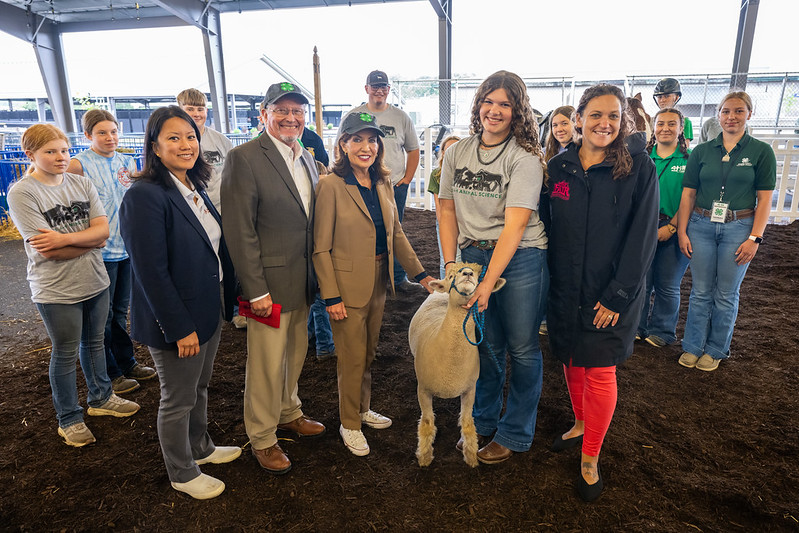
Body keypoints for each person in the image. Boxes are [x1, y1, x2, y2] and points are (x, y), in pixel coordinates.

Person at [119, 106, 240, 500]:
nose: (186, 145)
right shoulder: (144, 196)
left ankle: (200, 448)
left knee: (199, 386)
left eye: (190, 137)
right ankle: (182, 471)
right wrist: (179, 327)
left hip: (206, 309)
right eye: (174, 138)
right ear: (154, 145)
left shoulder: (193, 186)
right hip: (178, 320)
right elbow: (150, 271)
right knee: (177, 397)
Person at [544, 84, 658, 502]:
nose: (604, 123)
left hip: (611, 291)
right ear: (578, 119)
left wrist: (617, 296)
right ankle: (579, 423)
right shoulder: (558, 168)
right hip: (566, 285)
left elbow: (643, 237)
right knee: (571, 358)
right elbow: (547, 226)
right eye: (595, 115)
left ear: (623, 121)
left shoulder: (638, 169)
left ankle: (591, 454)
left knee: (600, 370)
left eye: (613, 116)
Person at [438, 70, 549, 466]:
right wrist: (451, 264)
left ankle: (515, 432)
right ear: (478, 104)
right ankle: (482, 418)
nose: (495, 110)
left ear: (518, 111)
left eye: (505, 104)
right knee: (485, 343)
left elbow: (516, 225)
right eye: (489, 101)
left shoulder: (525, 159)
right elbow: (445, 207)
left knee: (520, 347)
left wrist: (486, 282)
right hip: (472, 254)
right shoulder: (456, 152)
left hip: (521, 257)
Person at [8, 124, 140, 448]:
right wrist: (88, 242)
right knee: (65, 351)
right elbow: (47, 249)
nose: (60, 157)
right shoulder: (23, 192)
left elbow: (103, 231)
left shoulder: (81, 182)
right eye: (50, 151)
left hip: (95, 279)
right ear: (31, 155)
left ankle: (102, 397)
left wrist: (69, 239)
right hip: (55, 288)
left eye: (64, 150)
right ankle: (69, 418)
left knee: (95, 343)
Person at [314, 112, 434, 456]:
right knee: (351, 358)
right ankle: (349, 423)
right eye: (357, 140)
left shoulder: (382, 181)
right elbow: (320, 247)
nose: (366, 147)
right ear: (343, 144)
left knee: (366, 354)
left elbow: (395, 233)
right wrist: (331, 295)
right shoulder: (331, 186)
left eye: (372, 140)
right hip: (346, 289)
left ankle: (362, 409)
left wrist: (421, 275)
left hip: (378, 282)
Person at [221, 82, 326, 475]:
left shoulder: (308, 159)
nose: (290, 118)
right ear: (263, 113)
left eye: (297, 111)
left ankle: (288, 411)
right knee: (265, 364)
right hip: (266, 288)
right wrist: (256, 289)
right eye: (281, 110)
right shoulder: (243, 158)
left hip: (302, 281)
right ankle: (263, 437)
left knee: (295, 354)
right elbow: (239, 230)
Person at [676, 91, 776, 372]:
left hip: (739, 227)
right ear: (718, 115)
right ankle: (693, 346)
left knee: (726, 293)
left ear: (749, 114)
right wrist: (682, 231)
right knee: (700, 291)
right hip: (701, 225)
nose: (731, 117)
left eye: (738, 111)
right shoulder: (702, 151)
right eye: (726, 111)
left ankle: (716, 349)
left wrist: (755, 237)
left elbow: (765, 199)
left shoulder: (760, 152)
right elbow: (688, 194)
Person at [67, 109, 157, 394]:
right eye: (102, 133)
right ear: (88, 136)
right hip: (98, 252)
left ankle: (126, 361)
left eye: (114, 131)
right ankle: (110, 373)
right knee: (101, 318)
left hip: (126, 248)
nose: (110, 137)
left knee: (120, 312)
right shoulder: (78, 165)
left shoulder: (126, 162)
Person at [339, 70, 421, 291]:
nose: (379, 90)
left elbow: (413, 149)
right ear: (366, 89)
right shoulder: (353, 115)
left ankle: (397, 277)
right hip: (360, 183)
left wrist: (406, 179)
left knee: (395, 229)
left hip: (392, 184)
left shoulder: (401, 117)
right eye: (374, 87)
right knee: (360, 228)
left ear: (388, 90)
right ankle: (364, 275)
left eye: (383, 87)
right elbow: (341, 146)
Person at [637, 108, 692, 347]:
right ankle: (636, 326)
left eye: (672, 124)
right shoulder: (642, 158)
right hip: (644, 226)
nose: (665, 128)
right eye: (660, 124)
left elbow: (690, 197)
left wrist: (671, 227)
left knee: (667, 284)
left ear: (681, 129)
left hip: (675, 226)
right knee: (641, 281)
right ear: (653, 127)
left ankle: (663, 330)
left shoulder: (689, 161)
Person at [176, 88, 234, 214]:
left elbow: (236, 174)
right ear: (180, 111)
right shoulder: (174, 143)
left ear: (206, 111)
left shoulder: (222, 140)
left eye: (200, 109)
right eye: (190, 109)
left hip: (221, 208)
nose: (196, 114)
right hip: (190, 209)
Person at [427, 134, 461, 279]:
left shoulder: (467, 174)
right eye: (448, 149)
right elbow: (439, 205)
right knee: (447, 260)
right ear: (442, 153)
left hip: (466, 223)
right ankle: (445, 294)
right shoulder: (436, 174)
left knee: (462, 260)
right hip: (446, 220)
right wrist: (444, 226)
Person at [652, 78, 693, 144]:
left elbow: (686, 146)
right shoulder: (651, 120)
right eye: (659, 97)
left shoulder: (685, 121)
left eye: (666, 96)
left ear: (676, 97)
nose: (662, 100)